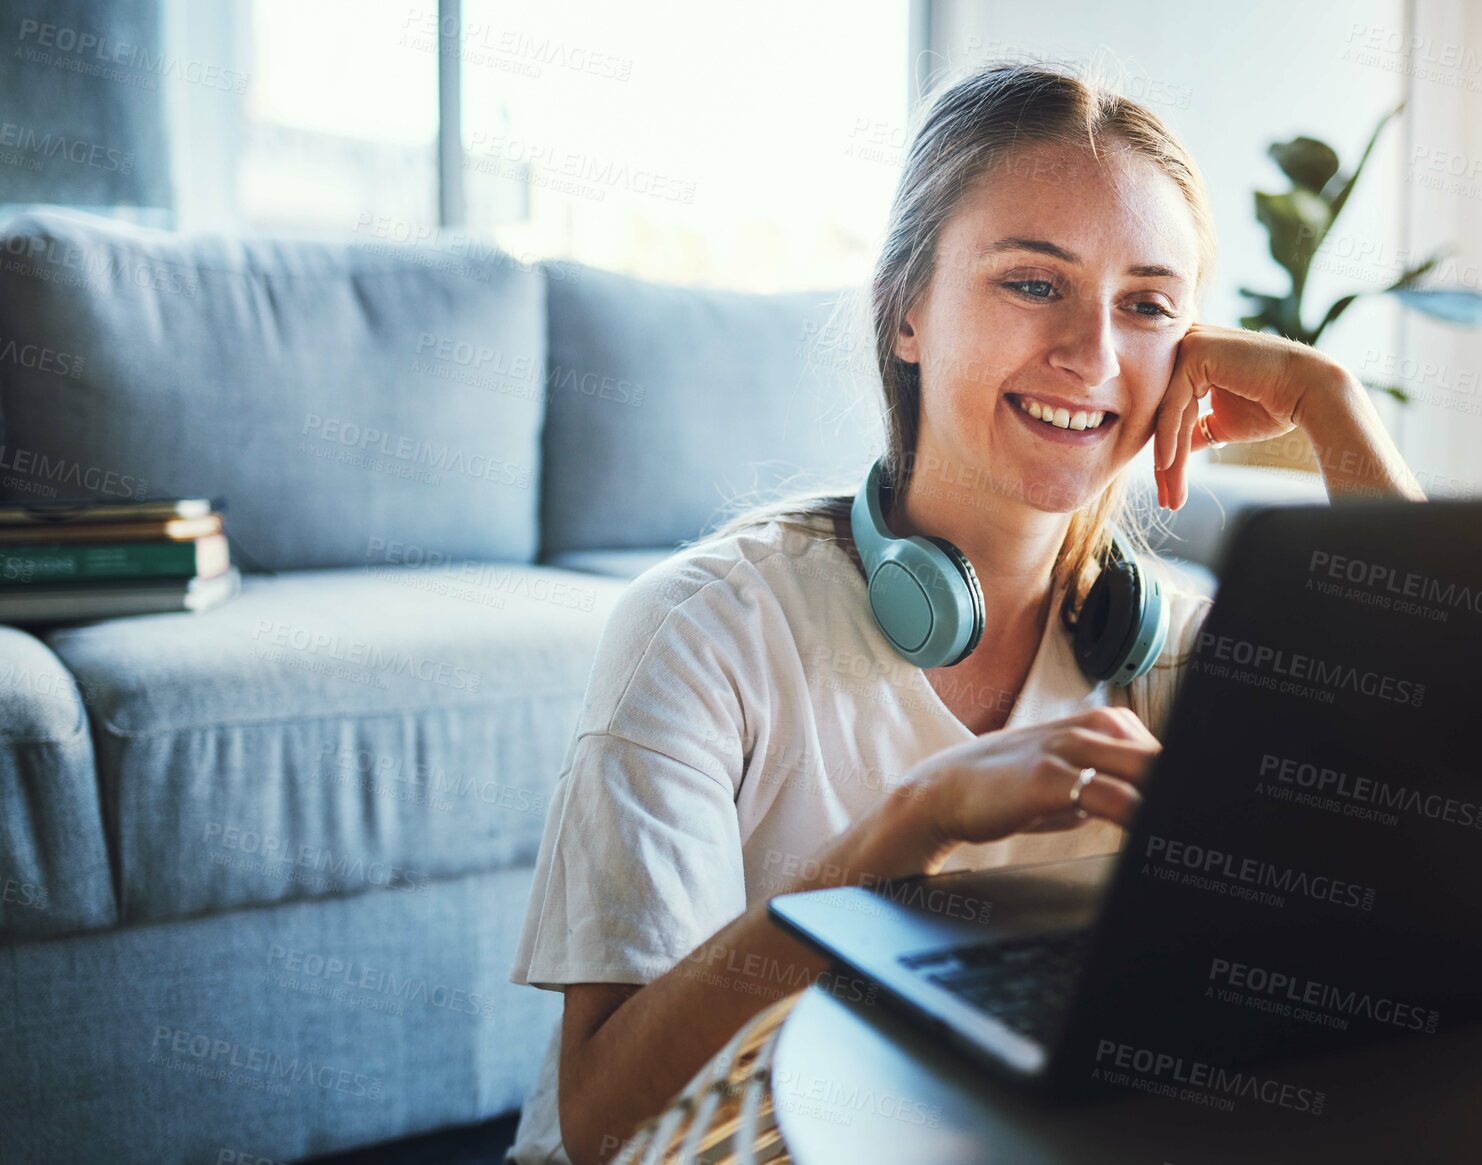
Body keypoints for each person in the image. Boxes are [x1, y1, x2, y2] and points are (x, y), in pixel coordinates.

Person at [506, 59, 1425, 1165]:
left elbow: (1453, 809)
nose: (1093, 354)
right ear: (907, 311)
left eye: (1146, 306)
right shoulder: (703, 628)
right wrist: (911, 824)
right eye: (1035, 283)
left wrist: (1332, 409)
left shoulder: (1177, 642)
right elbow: (606, 1117)